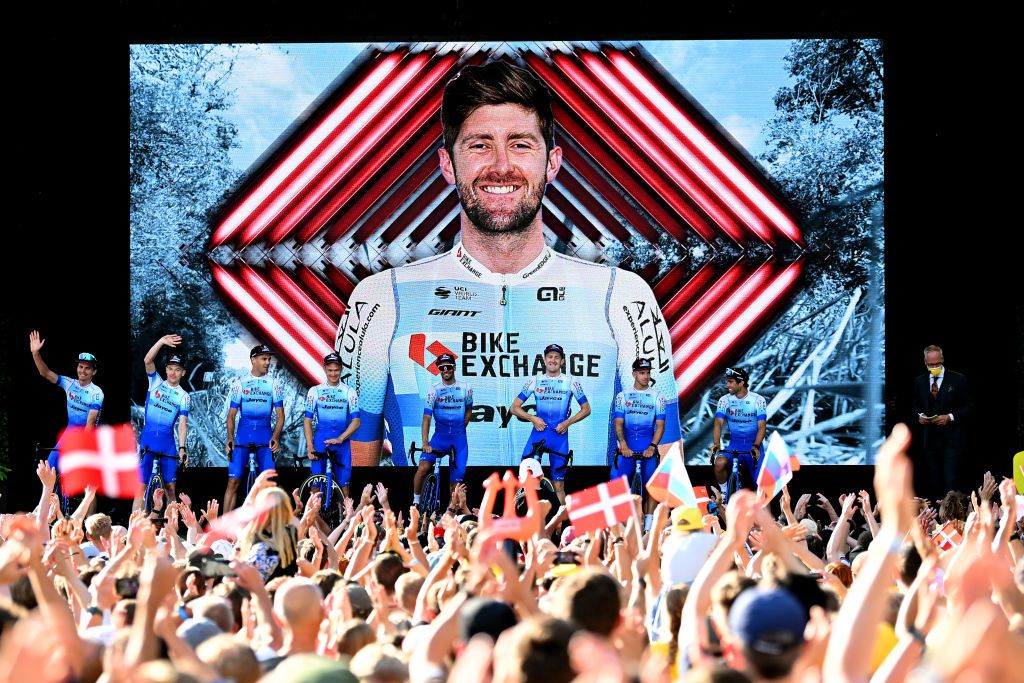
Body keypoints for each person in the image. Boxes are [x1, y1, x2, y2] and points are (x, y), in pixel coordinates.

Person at [335, 60, 682, 470]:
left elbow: (668, 479)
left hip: (581, 531)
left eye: (520, 144)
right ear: (448, 164)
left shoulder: (622, 295)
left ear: (552, 163)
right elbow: (350, 484)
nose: (501, 165)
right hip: (432, 530)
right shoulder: (380, 299)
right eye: (479, 145)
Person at [510, 344, 590, 504]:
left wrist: (568, 422)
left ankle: (560, 526)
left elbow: (586, 409)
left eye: (556, 357)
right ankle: (527, 522)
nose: (553, 360)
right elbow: (514, 408)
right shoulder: (535, 380)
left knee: (559, 484)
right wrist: (533, 418)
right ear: (544, 360)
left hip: (559, 437)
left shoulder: (571, 381)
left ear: (562, 361)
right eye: (550, 357)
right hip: (539, 434)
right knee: (526, 481)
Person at [28, 330, 104, 474]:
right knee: (49, 468)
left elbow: (91, 421)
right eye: (81, 367)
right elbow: (45, 373)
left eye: (88, 368)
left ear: (94, 372)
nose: (83, 371)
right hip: (70, 431)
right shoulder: (69, 383)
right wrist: (35, 353)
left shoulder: (97, 392)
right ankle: (56, 494)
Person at [224, 344, 284, 512]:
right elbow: (231, 415)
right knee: (233, 481)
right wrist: (230, 437)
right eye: (264, 359)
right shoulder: (240, 384)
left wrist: (276, 436)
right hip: (243, 435)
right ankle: (222, 530)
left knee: (269, 484)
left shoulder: (274, 384)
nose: (267, 363)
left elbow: (280, 416)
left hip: (265, 437)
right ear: (253, 360)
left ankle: (270, 528)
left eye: (269, 359)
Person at [133, 335, 190, 510]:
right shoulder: (155, 382)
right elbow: (147, 360)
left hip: (167, 444)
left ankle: (172, 525)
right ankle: (134, 526)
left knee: (170, 488)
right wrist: (161, 342)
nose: (173, 373)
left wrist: (182, 448)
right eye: (170, 368)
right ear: (165, 370)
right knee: (140, 487)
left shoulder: (184, 396)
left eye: (177, 369)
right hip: (148, 441)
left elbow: (182, 423)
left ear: (183, 373)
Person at [911, 344, 973, 496]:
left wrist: (950, 417)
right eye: (931, 364)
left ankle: (952, 515)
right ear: (925, 362)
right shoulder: (920, 381)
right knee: (933, 481)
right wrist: (919, 416)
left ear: (942, 359)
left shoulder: (958, 379)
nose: (934, 366)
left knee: (951, 480)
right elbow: (913, 405)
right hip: (930, 440)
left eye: (937, 363)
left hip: (952, 440)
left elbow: (969, 406)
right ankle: (934, 516)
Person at [611, 357, 666, 528]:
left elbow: (660, 426)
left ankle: (648, 527)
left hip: (647, 448)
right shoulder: (623, 396)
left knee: (652, 488)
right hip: (627, 448)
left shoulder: (658, 397)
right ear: (634, 374)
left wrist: (652, 447)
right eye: (642, 373)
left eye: (648, 373)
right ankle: (620, 527)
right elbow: (618, 423)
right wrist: (623, 445)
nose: (646, 376)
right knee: (616, 486)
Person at [414, 353, 472, 506]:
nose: (446, 370)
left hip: (458, 440)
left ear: (454, 367)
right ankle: (415, 501)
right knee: (423, 467)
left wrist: (461, 427)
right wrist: (425, 442)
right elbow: (426, 418)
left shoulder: (466, 388)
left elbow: (468, 410)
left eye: (448, 366)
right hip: (439, 438)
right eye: (442, 367)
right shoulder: (434, 390)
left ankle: (450, 514)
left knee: (456, 485)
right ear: (439, 369)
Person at [304, 352, 361, 500]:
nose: (333, 374)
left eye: (336, 370)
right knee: (315, 484)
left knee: (344, 486)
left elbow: (356, 421)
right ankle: (314, 519)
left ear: (341, 369)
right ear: (324, 370)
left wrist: (341, 438)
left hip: (342, 441)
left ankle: (345, 520)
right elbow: (307, 420)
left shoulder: (349, 392)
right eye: (330, 370)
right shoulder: (314, 391)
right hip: (321, 440)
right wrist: (310, 446)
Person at [711, 367, 766, 489]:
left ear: (741, 382)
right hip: (734, 445)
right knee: (719, 464)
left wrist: (756, 446)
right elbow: (718, 423)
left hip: (753, 446)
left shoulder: (758, 400)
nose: (727, 385)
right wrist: (716, 444)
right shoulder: (724, 400)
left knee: (761, 485)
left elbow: (762, 427)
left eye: (730, 382)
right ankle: (725, 491)